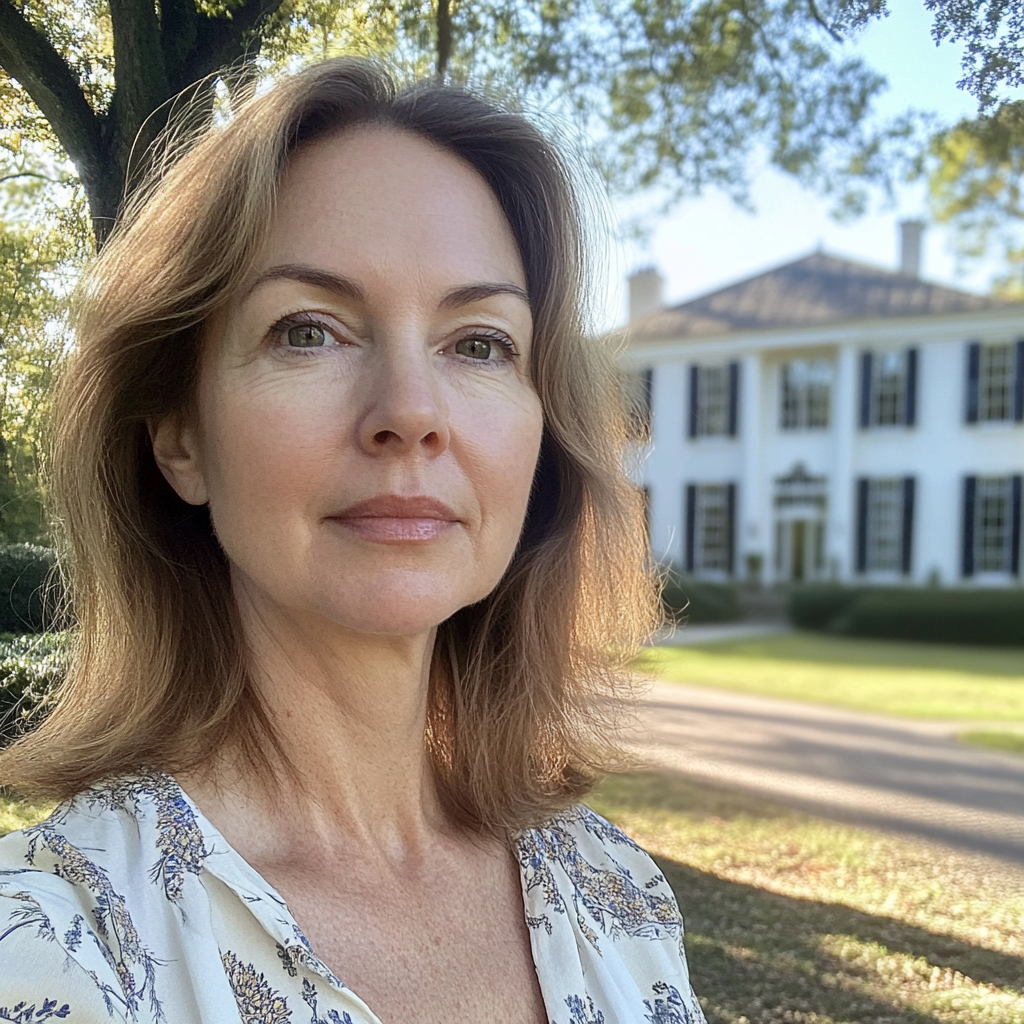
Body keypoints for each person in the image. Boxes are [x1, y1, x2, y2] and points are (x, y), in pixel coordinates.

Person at [0, 58, 706, 1024]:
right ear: (180, 435)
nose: (411, 413)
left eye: (481, 343)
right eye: (309, 331)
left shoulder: (616, 894)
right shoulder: (52, 944)